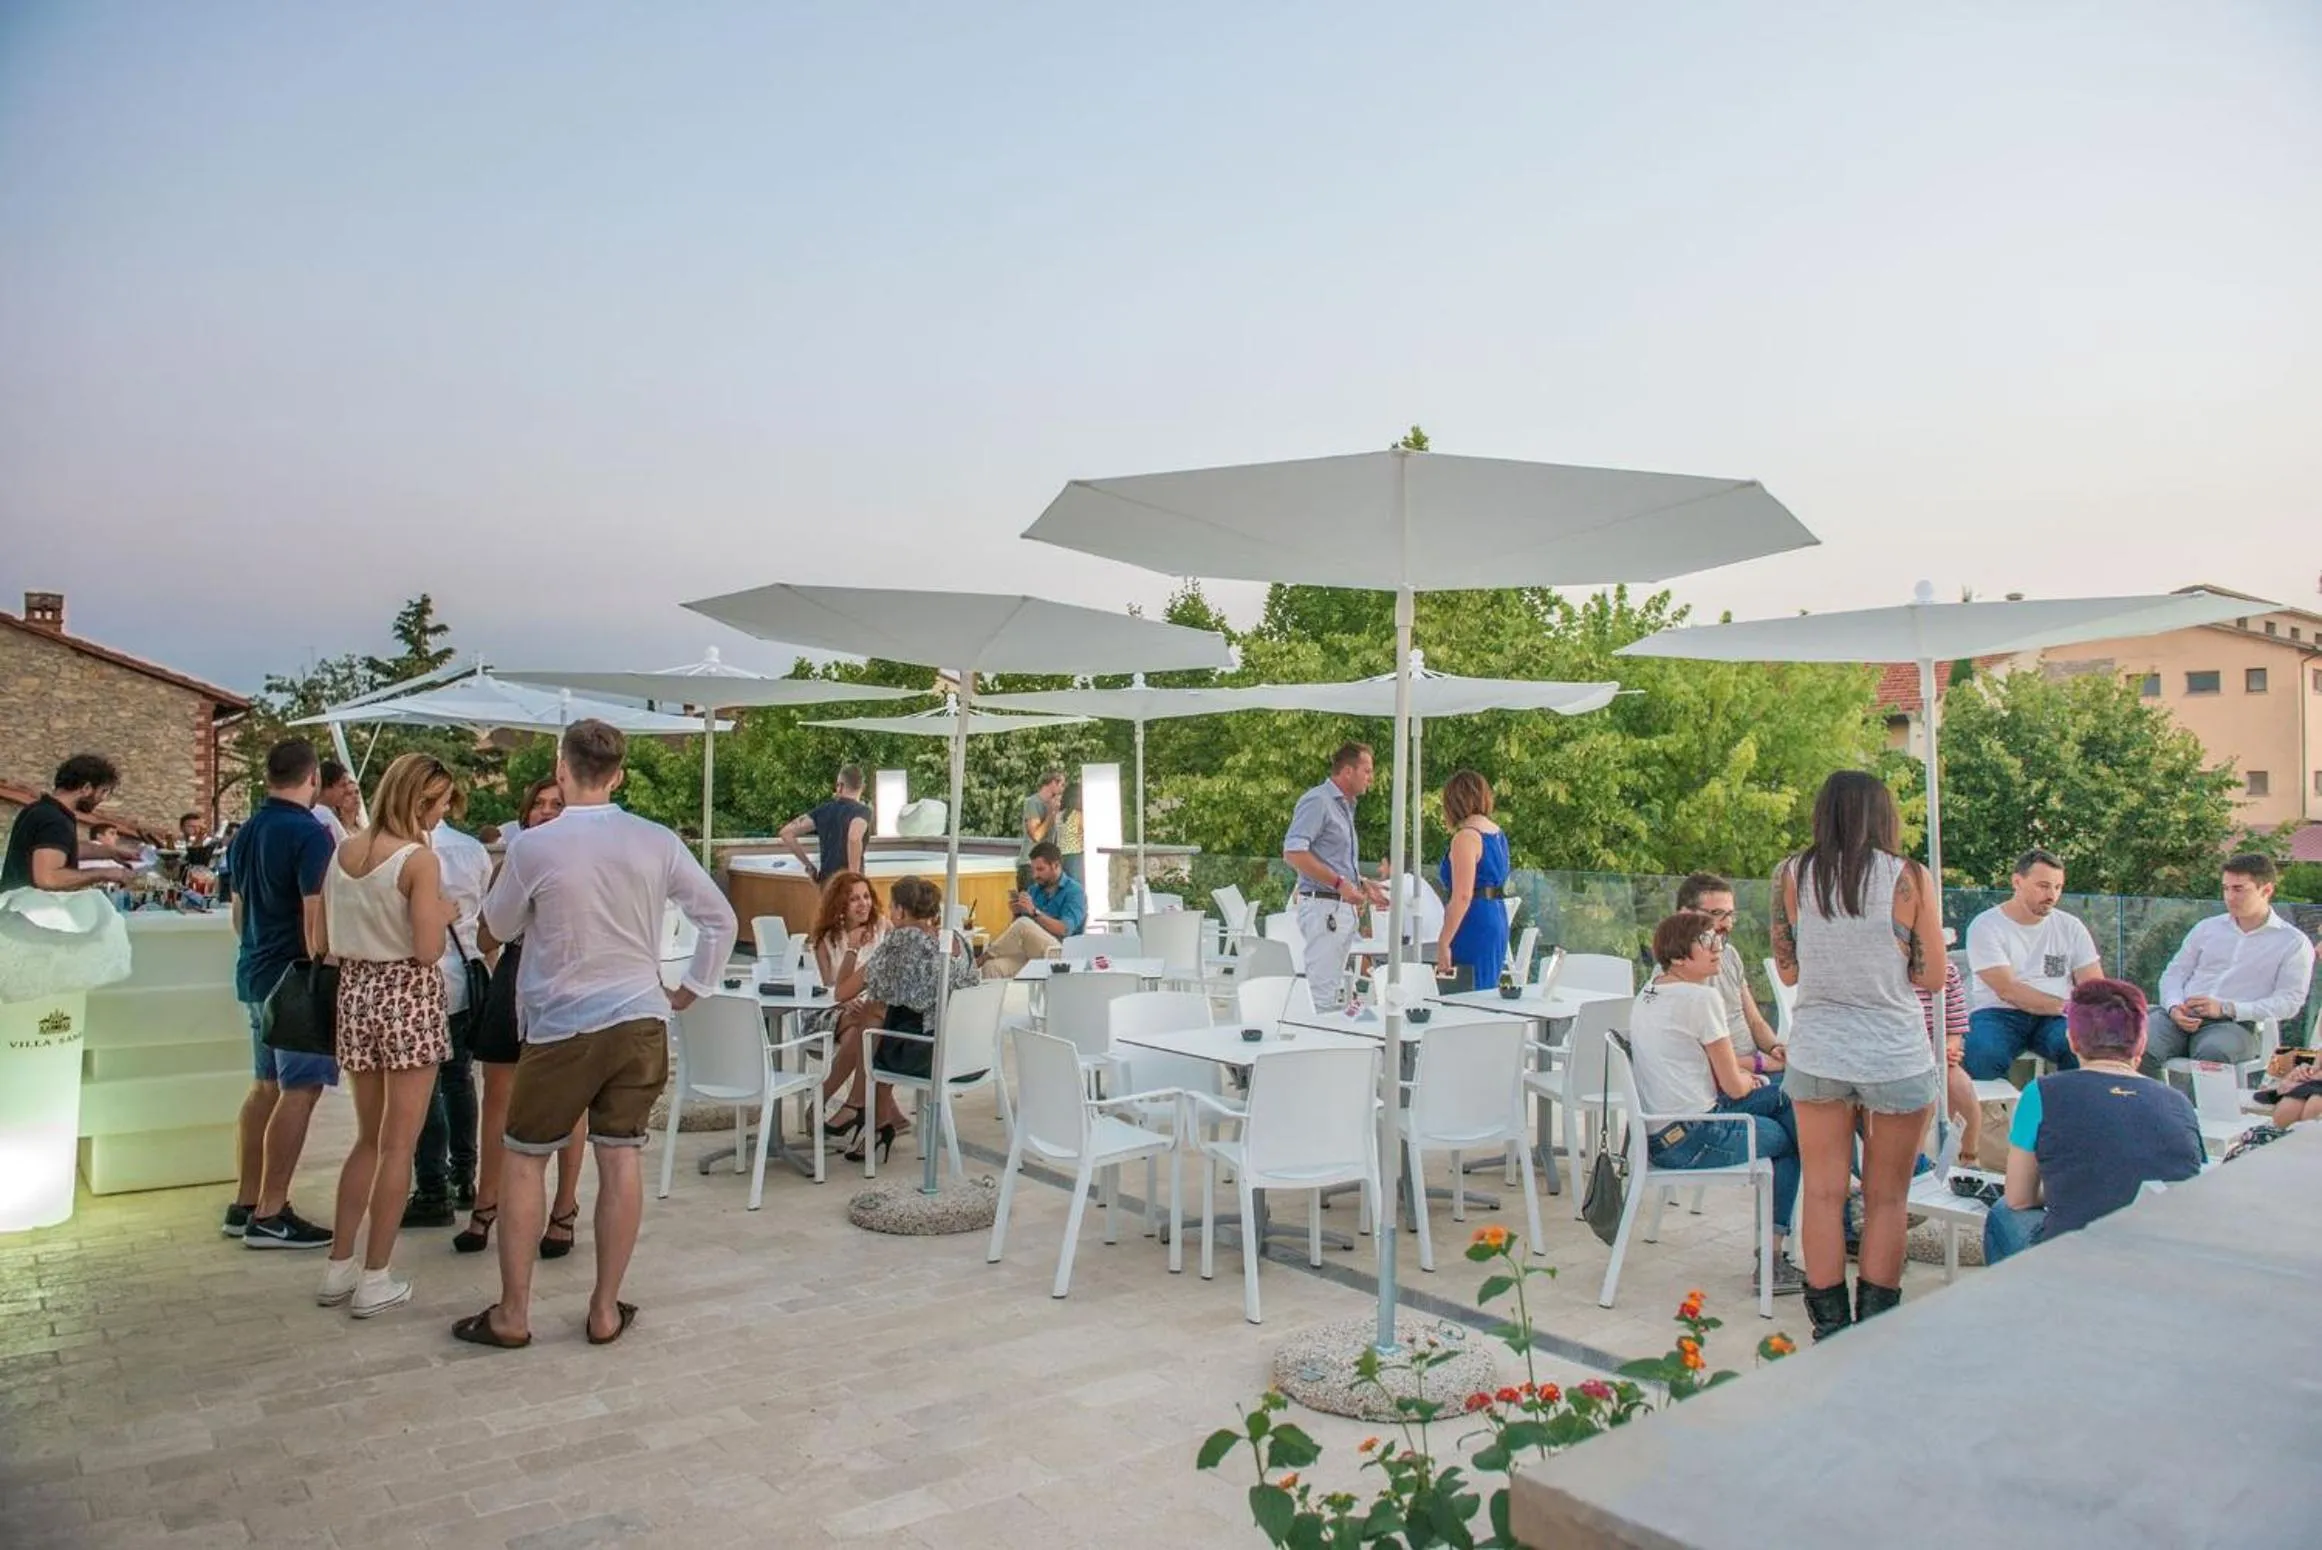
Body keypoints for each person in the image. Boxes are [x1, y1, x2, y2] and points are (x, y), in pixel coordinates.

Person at [456, 720, 736, 1350]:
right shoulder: (656, 840)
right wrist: (691, 989)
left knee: (526, 1158)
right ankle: (605, 1309)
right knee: (621, 1155)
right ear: (619, 774)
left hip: (562, 1022)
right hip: (640, 1017)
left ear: (561, 766)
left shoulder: (535, 847)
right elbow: (718, 918)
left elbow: (495, 925)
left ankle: (513, 1313)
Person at [1771, 770, 1945, 1341]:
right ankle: (1874, 1329)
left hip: (1819, 1047)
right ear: (1882, 815)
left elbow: (1789, 969)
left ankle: (1829, 1329)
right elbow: (1934, 976)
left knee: (1821, 1195)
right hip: (1894, 1051)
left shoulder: (1793, 876)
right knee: (1887, 1198)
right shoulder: (1909, 878)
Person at [316, 753, 459, 1317]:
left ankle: (338, 1265)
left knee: (367, 1139)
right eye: (443, 801)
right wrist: (444, 914)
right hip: (406, 994)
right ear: (422, 802)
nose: (445, 811)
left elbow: (324, 935)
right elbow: (427, 949)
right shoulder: (418, 860)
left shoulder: (343, 849)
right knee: (401, 1143)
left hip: (355, 992)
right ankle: (376, 1275)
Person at [1631, 910, 1806, 1295]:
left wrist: (1752, 1079)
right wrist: (1753, 1077)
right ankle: (1774, 1259)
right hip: (1694, 1136)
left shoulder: (1649, 992)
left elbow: (1728, 1080)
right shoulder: (1701, 998)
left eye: (1720, 941)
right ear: (1679, 956)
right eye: (1708, 942)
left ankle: (1841, 1188)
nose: (1719, 950)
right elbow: (1734, 1086)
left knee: (1787, 1098)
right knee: (1794, 1137)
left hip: (1662, 1133)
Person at [455, 778, 587, 1260]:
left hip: (569, 979)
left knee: (571, 1104)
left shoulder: (585, 864)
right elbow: (487, 938)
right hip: (514, 974)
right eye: (539, 805)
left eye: (558, 805)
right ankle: (487, 1199)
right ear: (525, 814)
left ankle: (564, 1208)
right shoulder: (512, 863)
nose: (547, 812)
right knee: (498, 1098)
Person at [1983, 979, 2204, 1264]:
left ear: (2072, 1039)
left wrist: (2066, 1187)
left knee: (2003, 1211)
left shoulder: (2040, 1093)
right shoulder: (2179, 1103)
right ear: (2142, 1043)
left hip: (2076, 1258)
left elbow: (2019, 1198)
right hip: (2162, 1257)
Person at [222, 740, 338, 1248]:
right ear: (312, 776)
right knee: (300, 1090)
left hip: (255, 967)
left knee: (264, 1086)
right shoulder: (310, 834)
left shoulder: (246, 831)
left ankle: (246, 1200)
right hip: (293, 979)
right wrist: (325, 969)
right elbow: (316, 915)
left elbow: (237, 910)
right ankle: (272, 1211)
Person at [2141, 853, 2316, 1077]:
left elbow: (2289, 1003)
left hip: (2235, 1024)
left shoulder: (2292, 942)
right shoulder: (2206, 928)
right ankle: (2151, 1109)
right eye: (2225, 888)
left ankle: (2200, 1112)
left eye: (2239, 889)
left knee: (2213, 1054)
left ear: (2266, 890)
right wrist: (2174, 1006)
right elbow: (2174, 973)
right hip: (2180, 1015)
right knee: (2137, 1043)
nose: (2230, 897)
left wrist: (2227, 1008)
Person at [404, 788, 493, 1228]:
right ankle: (465, 1176)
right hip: (463, 971)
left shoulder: (407, 851)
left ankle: (432, 1186)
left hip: (421, 975)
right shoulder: (472, 850)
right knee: (459, 1078)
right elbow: (481, 909)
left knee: (428, 1085)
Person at [849, 875, 979, 1165]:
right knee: (889, 1015)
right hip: (971, 1053)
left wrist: (851, 948)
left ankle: (861, 1107)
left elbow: (843, 990)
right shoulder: (956, 938)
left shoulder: (902, 940)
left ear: (902, 911)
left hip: (931, 1056)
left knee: (873, 1018)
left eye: (892, 907)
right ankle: (881, 1121)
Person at [1961, 849, 2102, 1081]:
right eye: (2043, 886)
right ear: (2017, 882)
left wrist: (2082, 1012)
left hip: (2055, 1018)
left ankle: (2072, 1112)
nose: (2052, 895)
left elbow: (2094, 985)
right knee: (1982, 1053)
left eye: (2058, 887)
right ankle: (1997, 1116)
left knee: (2083, 1046)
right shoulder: (1986, 925)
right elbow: (2008, 990)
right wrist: (2068, 1007)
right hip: (1998, 1013)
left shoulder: (2070, 926)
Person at [1282, 742, 1389, 1009]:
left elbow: (1331, 858)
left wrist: (1361, 883)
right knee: (1322, 995)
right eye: (1367, 770)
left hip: (1338, 907)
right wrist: (1341, 884)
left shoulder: (1345, 807)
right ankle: (1315, 1047)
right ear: (1348, 771)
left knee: (1335, 991)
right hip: (1323, 906)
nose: (1371, 777)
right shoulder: (1318, 800)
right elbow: (1293, 852)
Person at [808, 869, 903, 1146]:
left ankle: (823, 1100)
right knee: (863, 1028)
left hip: (871, 1010)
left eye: (865, 897)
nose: (863, 904)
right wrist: (847, 1000)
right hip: (831, 1011)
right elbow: (828, 988)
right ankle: (880, 1115)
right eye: (854, 899)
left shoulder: (883, 928)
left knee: (861, 1030)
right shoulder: (826, 940)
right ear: (840, 905)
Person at [1675, 872, 1786, 1075]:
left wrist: (1774, 1048)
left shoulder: (1729, 954)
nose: (1727, 924)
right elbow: (1695, 1061)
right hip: (1730, 1080)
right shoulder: (1675, 974)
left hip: (1758, 1068)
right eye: (1717, 914)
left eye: (1730, 915)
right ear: (1685, 914)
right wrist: (1760, 1064)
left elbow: (1755, 1020)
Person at [1435, 770, 1511, 990]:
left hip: (1472, 919)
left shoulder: (1466, 837)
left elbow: (1462, 895)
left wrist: (1444, 941)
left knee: (1465, 988)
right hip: (1496, 913)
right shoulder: (1497, 834)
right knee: (1486, 984)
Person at [2, 753, 121, 893]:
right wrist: (105, 873)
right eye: (103, 791)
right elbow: (48, 879)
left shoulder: (38, 809)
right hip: (30, 912)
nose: (103, 798)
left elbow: (60, 848)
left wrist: (112, 853)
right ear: (86, 788)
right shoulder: (55, 819)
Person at [979, 842, 1087, 979]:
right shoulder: (1034, 890)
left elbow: (1064, 929)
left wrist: (1035, 913)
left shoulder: (1075, 891)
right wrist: (1016, 913)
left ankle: (981, 958)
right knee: (992, 968)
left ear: (1056, 865)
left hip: (1061, 953)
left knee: (1024, 923)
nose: (1035, 875)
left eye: (1040, 869)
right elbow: (1018, 931)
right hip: (1032, 952)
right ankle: (989, 966)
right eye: (1033, 869)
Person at [1923, 955, 1981, 1165]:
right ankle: (1916, 1160)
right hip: (1899, 1052)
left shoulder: (1946, 970)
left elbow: (1955, 1028)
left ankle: (1970, 1157)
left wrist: (1950, 1048)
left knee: (1961, 1087)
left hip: (1937, 1054)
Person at [778, 764, 872, 882]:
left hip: (826, 883)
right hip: (848, 886)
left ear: (840, 786)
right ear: (862, 787)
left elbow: (786, 833)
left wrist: (809, 866)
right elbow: (854, 838)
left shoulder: (823, 811)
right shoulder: (861, 811)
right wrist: (854, 879)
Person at [1019, 769, 1064, 880]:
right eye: (1062, 785)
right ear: (1053, 782)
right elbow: (1036, 836)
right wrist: (1051, 814)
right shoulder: (1033, 803)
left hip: (1048, 865)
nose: (1063, 789)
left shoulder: (1054, 804)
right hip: (1031, 865)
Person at [312, 758, 362, 843]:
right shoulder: (323, 815)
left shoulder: (316, 812)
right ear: (328, 787)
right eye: (343, 785)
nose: (346, 790)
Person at [1058, 780, 1086, 887]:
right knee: (1076, 887)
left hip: (1061, 855)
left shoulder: (1059, 815)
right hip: (1075, 855)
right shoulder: (1079, 816)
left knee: (1065, 888)